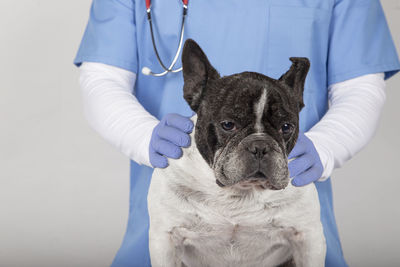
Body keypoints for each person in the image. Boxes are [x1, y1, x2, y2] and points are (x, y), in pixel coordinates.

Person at [74, 1, 400, 266]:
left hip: (286, 218)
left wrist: (329, 144)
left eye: (284, 126)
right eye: (229, 126)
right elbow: (102, 78)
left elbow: (360, 87)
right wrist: (139, 133)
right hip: (180, 199)